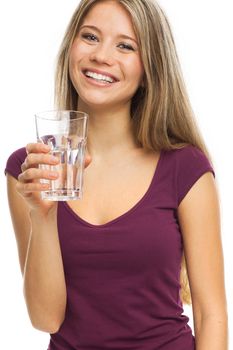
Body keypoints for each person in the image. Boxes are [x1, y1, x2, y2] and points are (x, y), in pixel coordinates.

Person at [5, 0, 228, 349]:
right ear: (70, 49)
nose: (101, 56)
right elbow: (47, 318)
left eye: (125, 45)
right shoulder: (29, 169)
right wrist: (42, 214)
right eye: (90, 37)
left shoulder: (186, 168)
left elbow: (210, 311)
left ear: (149, 68)